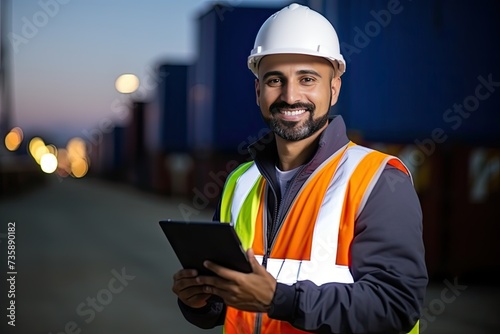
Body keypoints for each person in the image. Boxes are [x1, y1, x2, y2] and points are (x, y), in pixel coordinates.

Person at [172, 3, 427, 333]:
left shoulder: (378, 179)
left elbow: (395, 306)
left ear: (333, 89)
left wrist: (280, 299)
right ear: (258, 91)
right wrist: (202, 303)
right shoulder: (240, 181)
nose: (290, 96)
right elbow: (234, 302)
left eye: (307, 79)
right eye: (275, 80)